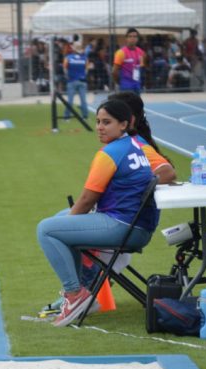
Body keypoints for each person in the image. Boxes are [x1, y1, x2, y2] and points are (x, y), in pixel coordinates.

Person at [37, 100, 158, 326]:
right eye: (98, 122)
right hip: (137, 226)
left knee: (47, 229)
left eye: (107, 122)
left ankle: (76, 295)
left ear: (124, 124)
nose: (100, 127)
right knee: (60, 219)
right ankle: (85, 291)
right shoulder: (137, 145)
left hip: (122, 227)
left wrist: (69, 225)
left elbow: (86, 199)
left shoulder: (110, 152)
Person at [112, 27, 145, 93]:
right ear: (126, 38)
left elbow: (141, 69)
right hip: (126, 87)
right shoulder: (121, 53)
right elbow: (114, 72)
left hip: (137, 86)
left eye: (135, 36)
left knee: (137, 103)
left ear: (138, 39)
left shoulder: (141, 52)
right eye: (130, 36)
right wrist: (120, 83)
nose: (132, 38)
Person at [63, 41, 89, 120]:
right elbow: (86, 70)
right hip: (82, 81)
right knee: (83, 100)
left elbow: (65, 68)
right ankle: (85, 116)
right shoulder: (85, 58)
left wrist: (68, 76)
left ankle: (67, 117)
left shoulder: (68, 58)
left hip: (71, 81)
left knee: (70, 100)